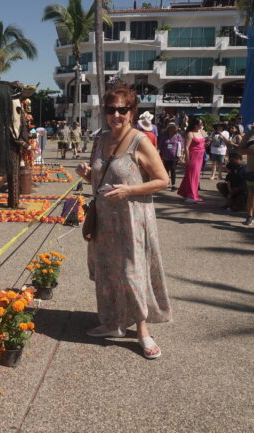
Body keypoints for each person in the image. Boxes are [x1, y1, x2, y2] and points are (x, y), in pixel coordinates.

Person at [75, 83, 171, 359]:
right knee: (106, 271)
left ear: (132, 111)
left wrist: (129, 190)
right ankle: (112, 323)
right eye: (111, 109)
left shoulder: (140, 140)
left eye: (122, 110)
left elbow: (162, 180)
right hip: (104, 219)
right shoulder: (100, 140)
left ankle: (142, 332)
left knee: (132, 273)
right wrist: (87, 174)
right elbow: (101, 176)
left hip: (132, 220)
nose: (116, 115)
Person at [177, 117, 208, 204]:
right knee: (192, 175)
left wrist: (206, 144)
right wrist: (187, 158)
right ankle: (191, 195)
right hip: (193, 155)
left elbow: (203, 142)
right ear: (195, 125)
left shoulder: (201, 132)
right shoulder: (190, 133)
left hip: (201, 156)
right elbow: (186, 147)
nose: (202, 125)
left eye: (202, 124)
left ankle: (190, 194)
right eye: (200, 124)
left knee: (195, 176)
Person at [158, 123, 184, 191]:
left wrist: (181, 156)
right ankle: (166, 183)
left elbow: (181, 147)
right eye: (171, 127)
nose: (172, 129)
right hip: (165, 156)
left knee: (173, 170)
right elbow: (160, 145)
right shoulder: (164, 136)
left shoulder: (178, 136)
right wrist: (158, 154)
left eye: (173, 128)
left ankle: (173, 185)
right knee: (166, 171)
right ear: (168, 128)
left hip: (174, 156)